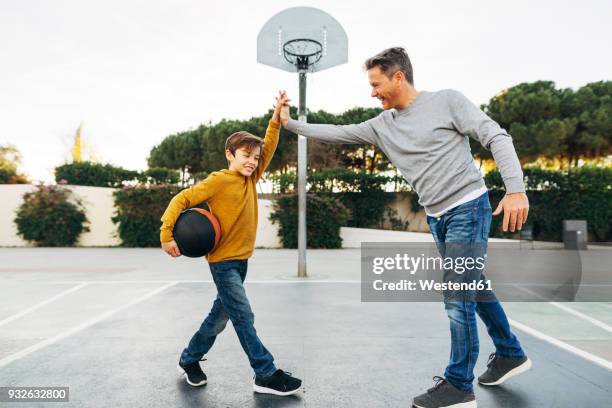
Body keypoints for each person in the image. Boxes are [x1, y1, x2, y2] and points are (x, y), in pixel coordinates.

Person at [279, 48, 532, 408]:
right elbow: (336, 132)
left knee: (457, 294)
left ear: (398, 77)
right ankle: (510, 352)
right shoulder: (382, 126)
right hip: (437, 217)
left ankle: (459, 385)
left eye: (376, 84)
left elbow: (496, 136)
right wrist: (288, 124)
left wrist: (516, 189)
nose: (372, 93)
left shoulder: (447, 102)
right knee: (471, 286)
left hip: (469, 207)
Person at [160, 91, 302, 397]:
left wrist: (276, 119)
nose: (251, 161)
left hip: (242, 261)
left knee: (219, 317)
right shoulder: (218, 180)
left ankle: (189, 359)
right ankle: (265, 373)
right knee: (243, 316)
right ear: (230, 155)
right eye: (245, 155)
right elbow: (182, 198)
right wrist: (166, 233)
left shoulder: (251, 178)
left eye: (254, 157)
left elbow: (270, 146)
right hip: (222, 263)